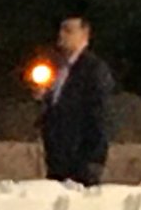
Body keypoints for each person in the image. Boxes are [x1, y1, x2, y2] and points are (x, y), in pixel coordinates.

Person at [40, 14, 116, 186]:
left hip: (80, 163)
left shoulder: (94, 70)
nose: (61, 35)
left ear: (84, 33)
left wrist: (93, 161)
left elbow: (100, 116)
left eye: (68, 30)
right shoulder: (61, 69)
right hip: (58, 161)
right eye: (60, 30)